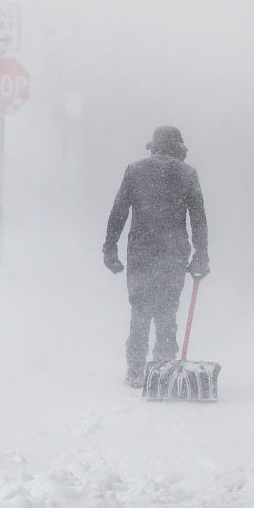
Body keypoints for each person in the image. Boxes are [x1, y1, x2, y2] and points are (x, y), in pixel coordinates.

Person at [102, 125, 209, 389]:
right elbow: (198, 220)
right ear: (179, 149)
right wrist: (201, 255)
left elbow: (118, 212)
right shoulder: (187, 174)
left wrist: (110, 248)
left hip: (140, 253)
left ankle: (136, 370)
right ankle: (163, 367)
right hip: (173, 254)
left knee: (139, 309)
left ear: (153, 147)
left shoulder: (135, 171)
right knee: (166, 309)